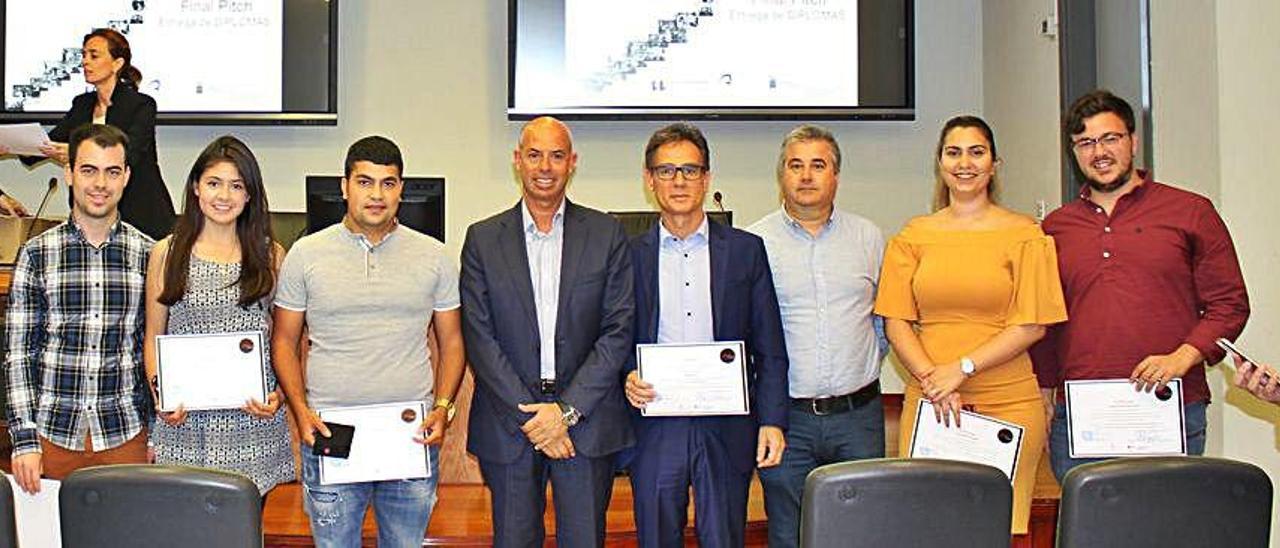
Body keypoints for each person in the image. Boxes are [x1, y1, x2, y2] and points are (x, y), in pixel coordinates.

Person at [1031, 90, 1250, 481]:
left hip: (1170, 406)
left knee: (1168, 532)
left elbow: (1230, 304)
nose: (1099, 152)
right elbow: (1046, 323)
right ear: (1074, 152)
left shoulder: (1190, 211)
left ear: (1133, 141)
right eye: (1085, 143)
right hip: (1082, 416)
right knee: (1089, 536)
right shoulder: (1055, 229)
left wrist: (1183, 357)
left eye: (1110, 138)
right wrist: (1045, 393)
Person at [873, 115, 1067, 534]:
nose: (965, 163)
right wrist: (932, 379)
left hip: (1009, 403)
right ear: (940, 162)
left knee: (1002, 528)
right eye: (954, 152)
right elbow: (896, 323)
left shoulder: (1026, 234)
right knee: (931, 529)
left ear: (994, 163)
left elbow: (1032, 325)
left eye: (977, 152)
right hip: (931, 402)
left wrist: (959, 370)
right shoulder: (913, 235)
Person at [271, 136, 466, 547]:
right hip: (332, 431)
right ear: (344, 187)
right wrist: (301, 410)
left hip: (408, 435)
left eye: (388, 183)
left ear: (401, 189)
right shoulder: (306, 255)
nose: (377, 195)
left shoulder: (434, 256)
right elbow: (284, 341)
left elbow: (451, 343)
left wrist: (444, 408)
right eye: (365, 182)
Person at [460, 116, 634, 548]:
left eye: (557, 156)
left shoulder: (607, 234)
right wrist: (534, 419)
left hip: (586, 424)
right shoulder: (482, 239)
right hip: (509, 425)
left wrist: (566, 412)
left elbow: (617, 330)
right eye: (534, 155)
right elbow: (480, 338)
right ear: (517, 161)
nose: (545, 166)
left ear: (572, 163)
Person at [624, 122, 789, 548]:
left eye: (690, 170)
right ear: (649, 180)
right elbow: (613, 335)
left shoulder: (745, 250)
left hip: (726, 424)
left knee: (724, 538)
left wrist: (772, 420)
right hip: (655, 425)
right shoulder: (627, 254)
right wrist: (626, 375)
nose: (678, 181)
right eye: (666, 170)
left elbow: (770, 346)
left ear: (707, 178)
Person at [747, 124, 886, 548]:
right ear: (781, 176)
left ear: (836, 176)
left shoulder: (869, 237)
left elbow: (884, 321)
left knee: (860, 533)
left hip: (857, 417)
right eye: (796, 165)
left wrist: (856, 369)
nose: (806, 176)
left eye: (818, 165)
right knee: (788, 533)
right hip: (786, 420)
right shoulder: (754, 242)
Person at [142, 135, 293, 499]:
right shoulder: (167, 252)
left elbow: (286, 340)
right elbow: (153, 337)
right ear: (196, 187)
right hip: (184, 424)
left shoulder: (271, 256)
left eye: (236, 186)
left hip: (253, 426)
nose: (224, 196)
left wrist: (279, 396)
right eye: (213, 183)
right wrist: (160, 394)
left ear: (250, 195)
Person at [4, 123, 153, 494]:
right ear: (69, 173)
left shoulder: (150, 255)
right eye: (88, 170)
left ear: (126, 177)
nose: (100, 183)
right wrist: (23, 440)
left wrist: (157, 435)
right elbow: (19, 354)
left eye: (112, 171)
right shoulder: (37, 254)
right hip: (52, 436)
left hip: (126, 436)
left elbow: (155, 350)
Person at [3, 28, 175, 239]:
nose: (85, 61)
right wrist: (11, 144)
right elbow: (48, 143)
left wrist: (75, 154)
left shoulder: (141, 105)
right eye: (83, 55)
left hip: (141, 216)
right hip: (91, 219)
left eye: (93, 55)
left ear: (117, 63)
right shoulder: (82, 105)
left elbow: (130, 155)